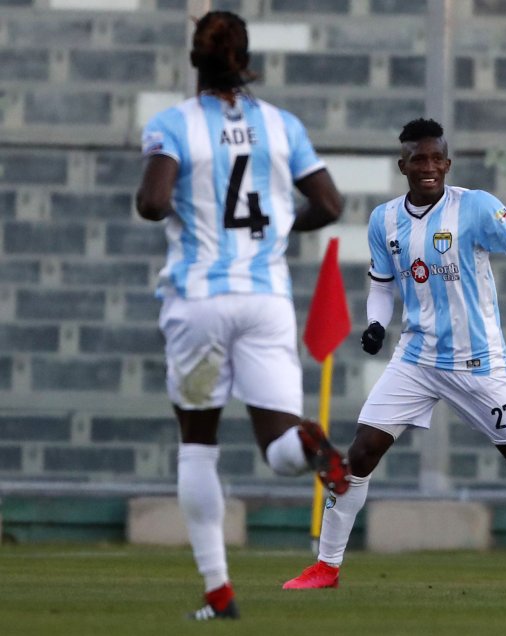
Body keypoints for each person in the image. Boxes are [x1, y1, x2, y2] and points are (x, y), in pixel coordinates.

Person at [282, 117, 506, 590]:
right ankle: (326, 566)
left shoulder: (476, 207)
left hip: (477, 359)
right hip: (416, 358)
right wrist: (374, 323)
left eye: (435, 159)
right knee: (362, 452)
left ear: (447, 163)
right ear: (402, 164)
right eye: (418, 159)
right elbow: (382, 286)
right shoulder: (383, 220)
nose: (428, 167)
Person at [136, 11, 350, 620]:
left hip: (200, 301)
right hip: (265, 300)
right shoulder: (281, 126)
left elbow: (152, 203)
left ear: (194, 61)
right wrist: (281, 226)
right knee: (279, 443)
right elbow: (329, 203)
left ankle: (218, 591)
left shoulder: (174, 124)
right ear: (246, 58)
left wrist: (169, 198)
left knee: (198, 445)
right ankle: (308, 441)